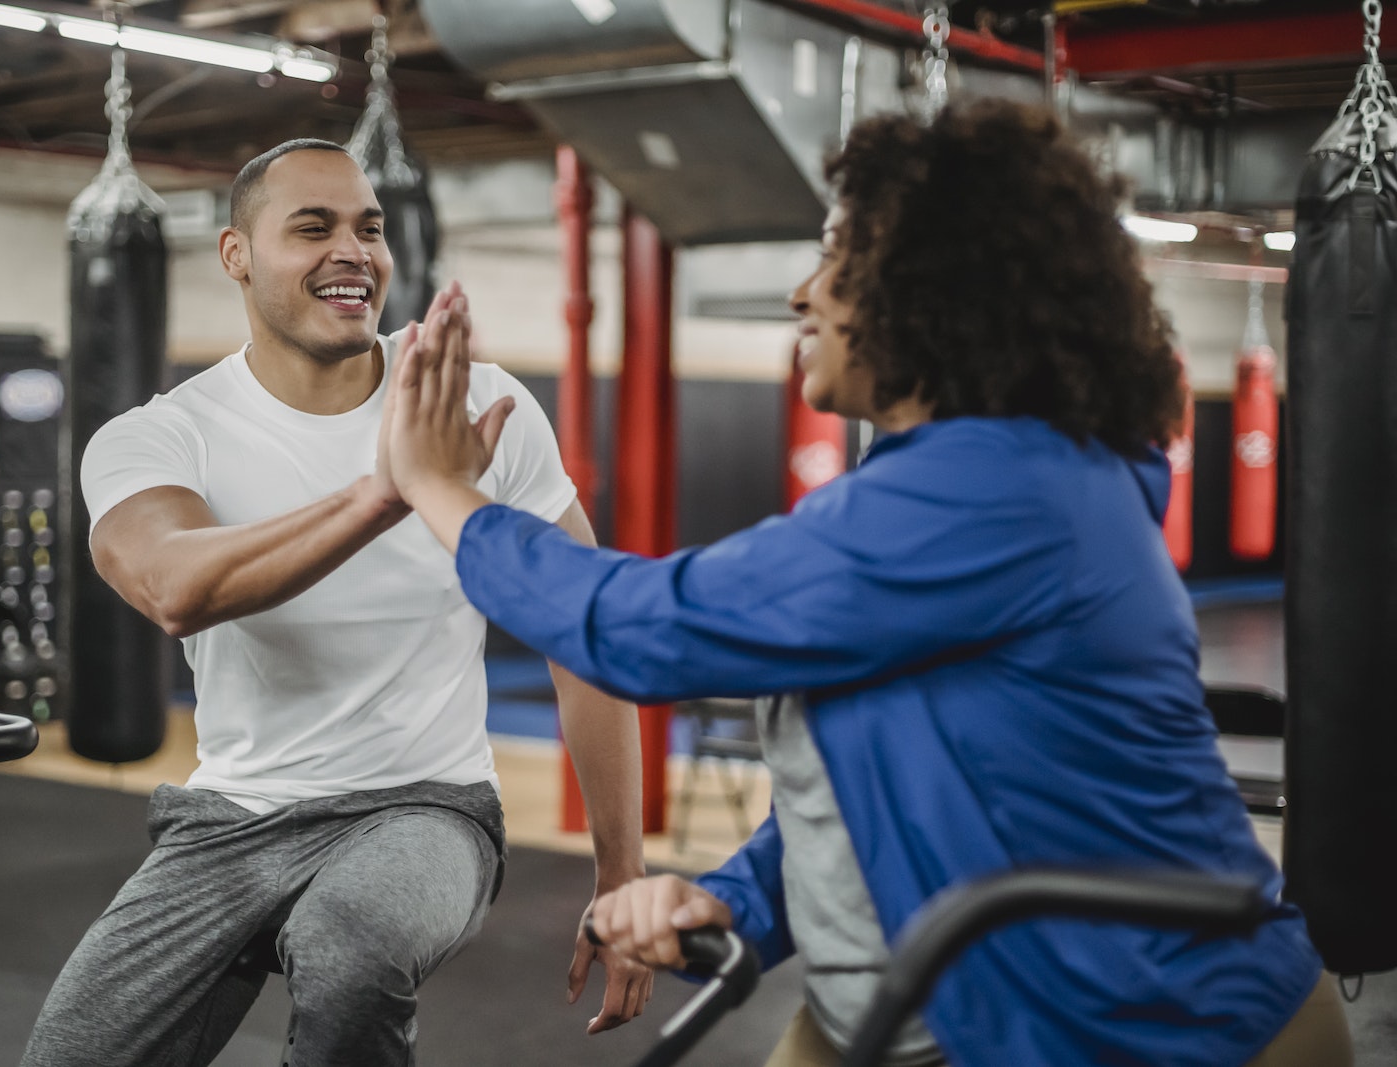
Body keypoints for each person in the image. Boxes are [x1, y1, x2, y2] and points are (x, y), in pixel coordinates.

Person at [382, 101, 1352, 1067]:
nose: (803, 295)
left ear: (935, 291)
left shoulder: (998, 490)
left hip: (1146, 1030)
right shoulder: (965, 487)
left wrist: (443, 490)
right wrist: (733, 900)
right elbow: (862, 781)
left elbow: (642, 627)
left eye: (838, 262)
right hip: (924, 1009)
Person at [20, 139, 651, 1067]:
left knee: (350, 949)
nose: (352, 250)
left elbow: (585, 633)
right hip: (232, 815)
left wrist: (622, 871)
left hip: (426, 807)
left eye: (370, 227)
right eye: (311, 227)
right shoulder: (161, 435)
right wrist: (389, 492)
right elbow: (175, 585)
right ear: (236, 254)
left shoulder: (473, 402)